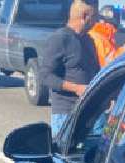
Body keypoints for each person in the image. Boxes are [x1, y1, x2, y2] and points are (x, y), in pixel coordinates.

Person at [38, 1, 100, 135]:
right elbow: (44, 76)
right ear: (85, 16)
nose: (97, 20)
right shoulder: (60, 39)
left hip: (92, 112)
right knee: (67, 155)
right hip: (67, 114)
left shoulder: (89, 40)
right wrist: (77, 88)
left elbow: (96, 72)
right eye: (95, 16)